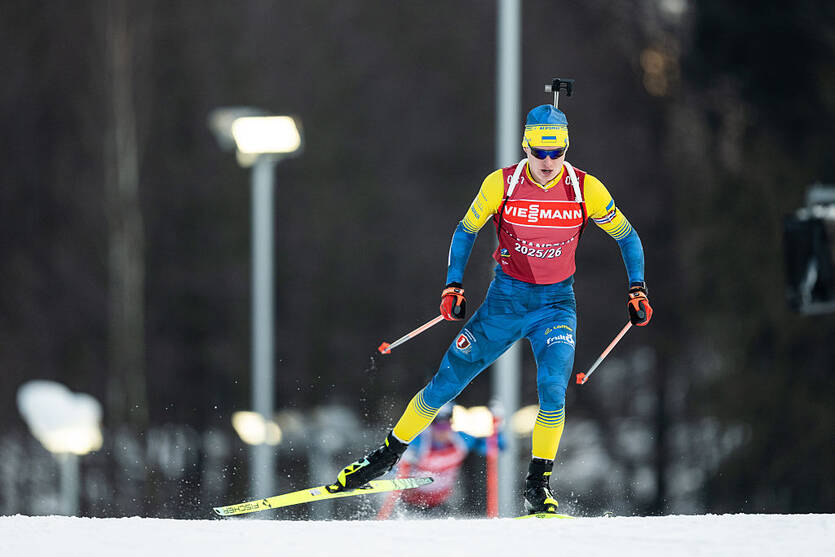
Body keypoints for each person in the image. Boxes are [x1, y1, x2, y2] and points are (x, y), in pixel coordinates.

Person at [331, 103, 652, 514]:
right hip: (504, 304)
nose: (549, 163)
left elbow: (627, 236)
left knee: (554, 388)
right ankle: (386, 455)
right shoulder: (501, 184)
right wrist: (453, 284)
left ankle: (538, 485)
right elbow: (466, 230)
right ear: (526, 147)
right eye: (540, 152)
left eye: (558, 153)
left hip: (555, 305)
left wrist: (637, 289)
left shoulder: (585, 188)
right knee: (446, 382)